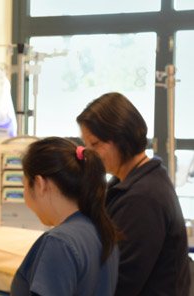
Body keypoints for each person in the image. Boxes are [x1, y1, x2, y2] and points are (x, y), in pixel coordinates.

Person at [76, 92, 190, 295]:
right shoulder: (129, 181)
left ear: (120, 138)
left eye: (95, 144)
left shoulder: (143, 198)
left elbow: (120, 282)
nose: (89, 153)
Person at [10, 137, 120, 296]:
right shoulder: (103, 233)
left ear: (40, 184)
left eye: (24, 185)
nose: (25, 195)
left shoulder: (59, 242)